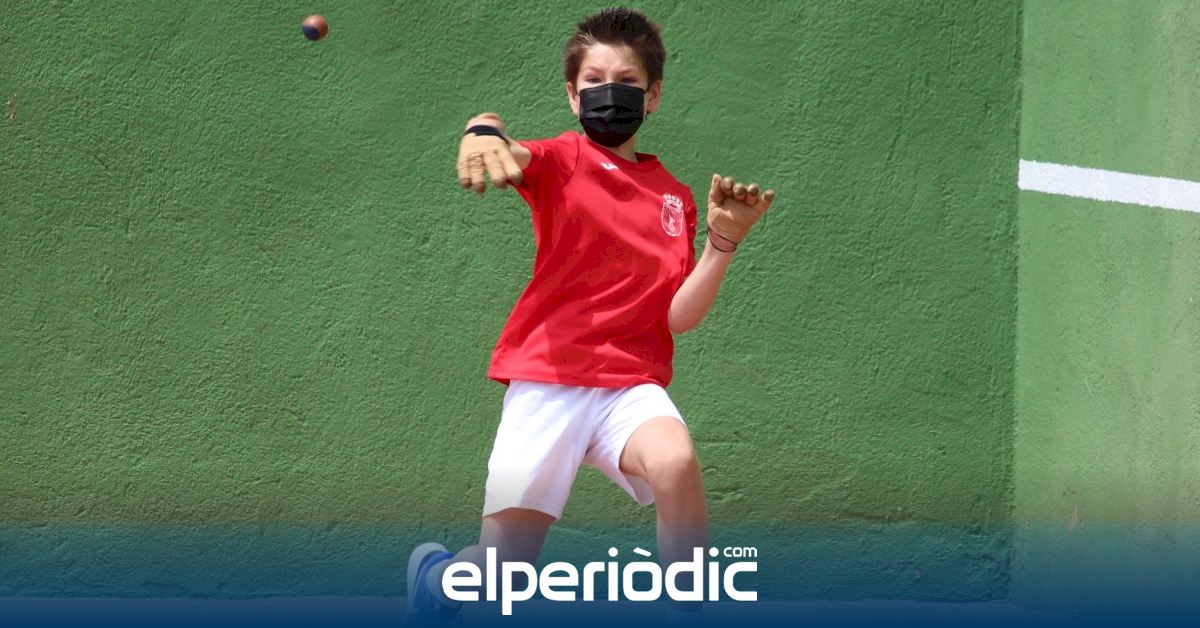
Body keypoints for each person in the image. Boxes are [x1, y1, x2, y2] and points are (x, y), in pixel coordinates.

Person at [406, 6, 775, 623]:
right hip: (549, 377)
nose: (611, 93)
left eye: (628, 82)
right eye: (595, 81)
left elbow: (678, 316)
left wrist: (721, 243)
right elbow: (510, 148)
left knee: (676, 461)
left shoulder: (675, 197)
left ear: (653, 96)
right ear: (573, 96)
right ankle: (436, 577)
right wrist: (481, 129)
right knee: (500, 577)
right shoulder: (563, 158)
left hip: (629, 382)